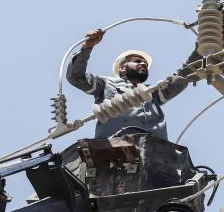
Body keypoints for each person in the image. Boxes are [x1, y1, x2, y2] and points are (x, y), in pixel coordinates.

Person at [66, 29, 199, 140]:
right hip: (114, 149)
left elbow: (183, 75)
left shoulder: (152, 93)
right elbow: (76, 77)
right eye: (137, 61)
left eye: (145, 64)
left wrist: (203, 46)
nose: (143, 64)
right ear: (122, 68)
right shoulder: (106, 84)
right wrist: (87, 46)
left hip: (155, 153)